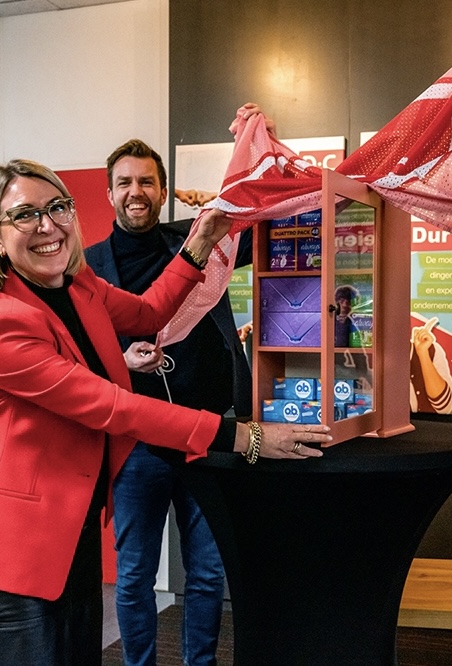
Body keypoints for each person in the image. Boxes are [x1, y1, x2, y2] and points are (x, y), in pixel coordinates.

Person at [0, 158, 330, 666]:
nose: (47, 225)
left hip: (75, 530)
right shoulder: (7, 320)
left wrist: (204, 238)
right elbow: (114, 406)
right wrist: (246, 437)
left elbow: (150, 313)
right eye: (25, 214)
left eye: (57, 207)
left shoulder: (78, 286)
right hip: (24, 550)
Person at [85, 138, 251, 666]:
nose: (136, 192)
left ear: (162, 191)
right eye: (125, 183)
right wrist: (119, 356)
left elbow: (260, 219)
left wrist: (258, 145)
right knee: (134, 575)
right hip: (136, 447)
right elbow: (77, 355)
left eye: (147, 182)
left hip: (208, 435)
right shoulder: (87, 269)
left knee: (206, 574)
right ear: (110, 192)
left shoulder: (196, 241)